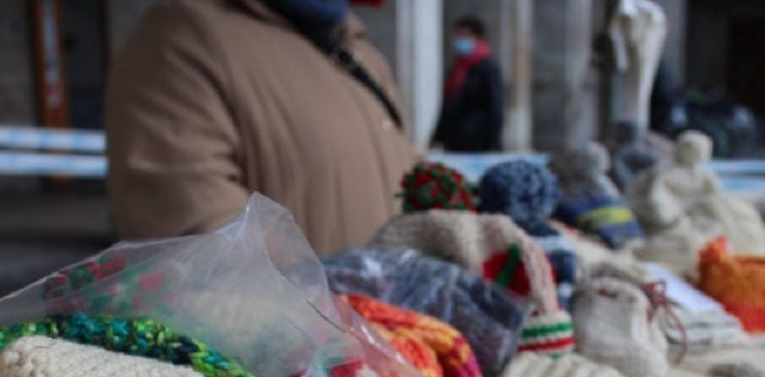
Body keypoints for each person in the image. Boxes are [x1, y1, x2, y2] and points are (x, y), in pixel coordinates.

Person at [106, 0, 415, 255]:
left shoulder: (359, 51)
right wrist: (344, 319)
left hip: (397, 326)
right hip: (303, 329)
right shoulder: (182, 39)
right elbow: (198, 251)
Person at [431, 16, 503, 152]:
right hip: (455, 140)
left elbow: (495, 107)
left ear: (476, 37)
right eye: (457, 35)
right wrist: (436, 138)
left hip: (479, 141)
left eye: (463, 35)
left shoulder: (487, 67)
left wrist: (495, 143)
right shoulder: (457, 68)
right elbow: (448, 107)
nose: (458, 40)